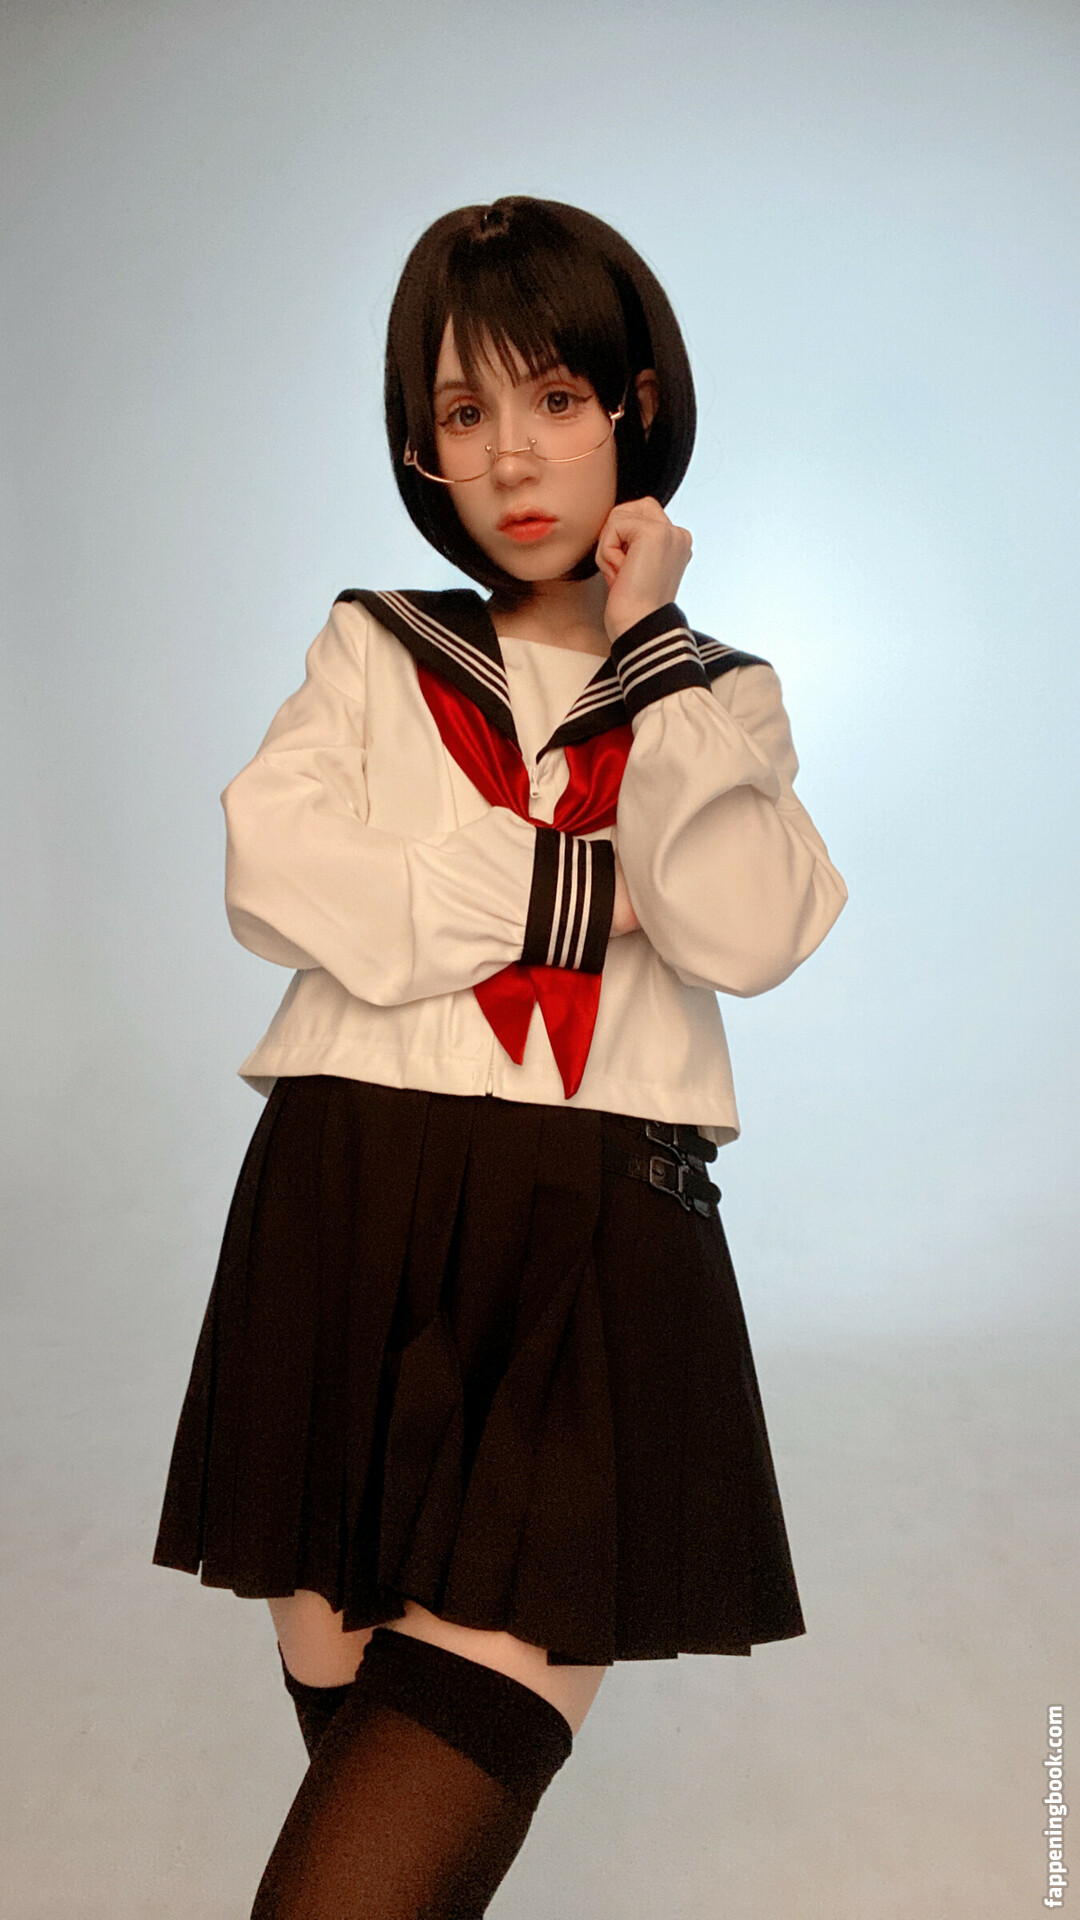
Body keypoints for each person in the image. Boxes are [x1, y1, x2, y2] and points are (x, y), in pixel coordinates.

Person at [152, 195, 849, 1918]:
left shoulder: (718, 695)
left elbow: (744, 926)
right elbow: (275, 871)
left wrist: (651, 647)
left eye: (555, 398)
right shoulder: (374, 648)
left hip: (595, 1251)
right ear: (422, 448)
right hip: (346, 1219)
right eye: (467, 413)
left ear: (635, 407)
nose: (516, 457)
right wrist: (582, 892)